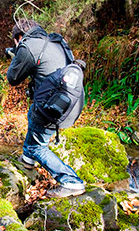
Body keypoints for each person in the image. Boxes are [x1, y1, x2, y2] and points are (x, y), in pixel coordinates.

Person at [6, 18, 86, 198]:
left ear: (20, 37)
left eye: (16, 41)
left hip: (51, 107)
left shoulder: (28, 46)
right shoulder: (55, 42)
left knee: (38, 147)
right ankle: (27, 160)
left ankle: (71, 181)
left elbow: (13, 78)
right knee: (32, 116)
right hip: (72, 102)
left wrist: (17, 55)